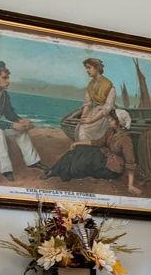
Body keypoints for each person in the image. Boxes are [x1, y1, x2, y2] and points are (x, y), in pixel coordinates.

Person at [44, 58, 140, 193]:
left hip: (110, 161)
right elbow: (88, 104)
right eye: (87, 68)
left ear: (96, 68)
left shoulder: (109, 86)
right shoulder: (110, 132)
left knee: (83, 161)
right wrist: (84, 117)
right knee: (80, 147)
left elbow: (130, 162)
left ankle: (61, 170)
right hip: (103, 155)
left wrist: (130, 185)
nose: (87, 71)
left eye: (89, 68)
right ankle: (54, 171)